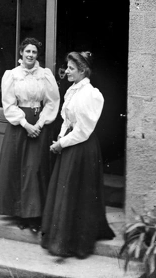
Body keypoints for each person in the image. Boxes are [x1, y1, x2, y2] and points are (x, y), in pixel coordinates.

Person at [40, 51, 115, 259]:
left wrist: (62, 143)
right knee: (66, 191)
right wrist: (60, 138)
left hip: (82, 148)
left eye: (72, 68)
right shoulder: (73, 90)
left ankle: (76, 243)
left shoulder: (90, 94)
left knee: (77, 193)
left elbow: (83, 130)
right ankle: (62, 237)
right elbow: (68, 120)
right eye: (68, 67)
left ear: (83, 71)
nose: (67, 71)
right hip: (70, 145)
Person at [0, 37, 60, 232]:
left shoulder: (45, 75)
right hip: (19, 125)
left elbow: (52, 101)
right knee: (20, 167)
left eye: (34, 52)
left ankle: (36, 216)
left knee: (35, 168)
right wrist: (25, 124)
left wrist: (39, 123)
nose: (31, 55)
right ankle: (21, 214)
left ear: (38, 55)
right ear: (21, 53)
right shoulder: (12, 75)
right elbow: (9, 104)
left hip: (40, 124)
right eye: (27, 51)